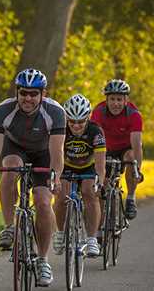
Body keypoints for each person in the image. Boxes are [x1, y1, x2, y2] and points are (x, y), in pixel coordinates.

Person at [0, 68, 66, 287]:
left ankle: (43, 260)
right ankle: (10, 226)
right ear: (17, 92)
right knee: (10, 169)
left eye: (33, 94)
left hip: (44, 153)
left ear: (42, 94)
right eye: (23, 93)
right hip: (15, 148)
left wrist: (56, 178)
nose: (28, 98)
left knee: (43, 202)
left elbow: (57, 152)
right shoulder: (2, 111)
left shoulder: (55, 112)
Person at [52, 94, 106, 258]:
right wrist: (55, 178)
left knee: (90, 193)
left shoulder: (95, 131)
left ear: (88, 118)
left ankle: (91, 239)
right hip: (66, 167)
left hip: (88, 168)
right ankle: (60, 233)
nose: (76, 126)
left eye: (80, 122)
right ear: (66, 118)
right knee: (61, 198)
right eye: (72, 121)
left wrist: (100, 183)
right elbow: (54, 154)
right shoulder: (60, 129)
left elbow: (100, 164)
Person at [90, 79, 144, 220]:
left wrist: (137, 169)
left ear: (126, 100)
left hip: (125, 149)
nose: (115, 103)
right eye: (112, 99)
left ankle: (131, 198)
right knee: (103, 186)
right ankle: (102, 227)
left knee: (131, 158)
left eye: (119, 99)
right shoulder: (98, 112)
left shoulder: (134, 115)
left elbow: (137, 143)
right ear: (106, 100)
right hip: (105, 149)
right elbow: (96, 139)